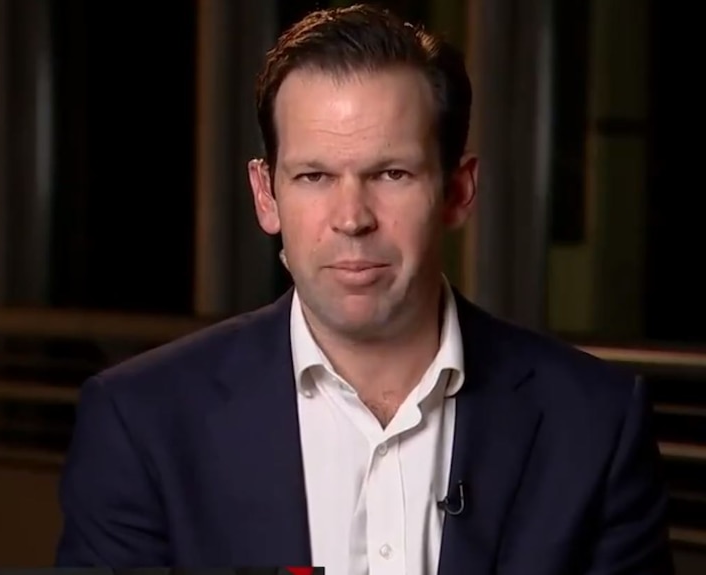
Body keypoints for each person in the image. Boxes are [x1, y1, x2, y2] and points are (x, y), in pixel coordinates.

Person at [55, 4, 673, 574]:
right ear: (266, 195)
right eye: (314, 175)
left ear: (457, 191)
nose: (352, 218)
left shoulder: (594, 424)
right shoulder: (142, 423)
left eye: (391, 173)